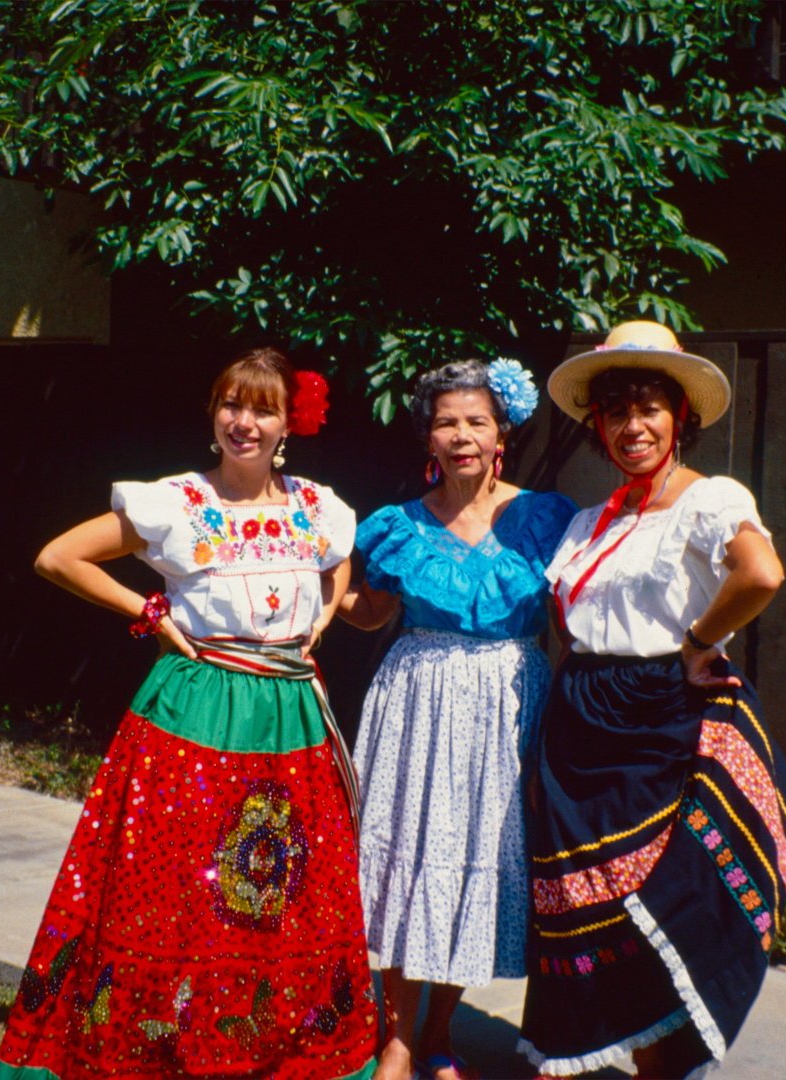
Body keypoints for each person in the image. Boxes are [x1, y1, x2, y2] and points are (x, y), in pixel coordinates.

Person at [0, 348, 378, 1080]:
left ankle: (268, 1041)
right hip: (195, 711)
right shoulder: (175, 502)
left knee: (282, 894)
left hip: (290, 716)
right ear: (213, 414)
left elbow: (338, 560)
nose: (245, 422)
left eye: (263, 409)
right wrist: (149, 612)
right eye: (233, 404)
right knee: (174, 889)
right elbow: (58, 558)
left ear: (288, 423)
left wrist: (325, 612)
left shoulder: (316, 506)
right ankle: (156, 1042)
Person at [519, 321, 786, 1078]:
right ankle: (617, 1056)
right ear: (596, 425)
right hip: (581, 724)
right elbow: (569, 627)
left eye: (648, 407)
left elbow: (760, 574)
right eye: (614, 411)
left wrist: (696, 644)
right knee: (591, 905)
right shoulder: (589, 520)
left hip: (663, 718)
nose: (631, 426)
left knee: (664, 898)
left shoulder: (707, 500)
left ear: (681, 417)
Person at [337, 359, 577, 1080]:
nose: (462, 435)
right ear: (428, 437)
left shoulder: (547, 519)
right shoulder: (395, 526)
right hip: (416, 705)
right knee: (409, 869)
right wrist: (301, 585)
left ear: (501, 430)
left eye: (476, 421)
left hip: (507, 706)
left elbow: (567, 627)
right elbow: (371, 612)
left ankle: (438, 1033)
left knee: (475, 869)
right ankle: (397, 1041)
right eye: (446, 422)